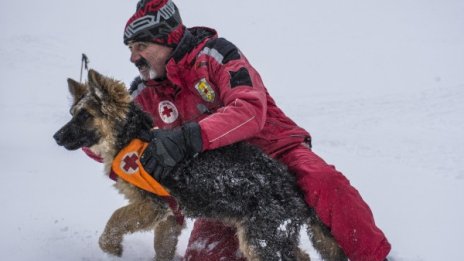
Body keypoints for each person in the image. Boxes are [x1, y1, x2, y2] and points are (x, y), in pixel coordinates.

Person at [98, 0, 392, 260]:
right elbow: (112, 131)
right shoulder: (146, 94)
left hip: (277, 150)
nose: (133, 58)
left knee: (323, 181)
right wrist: (91, 136)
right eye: (130, 49)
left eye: (141, 47)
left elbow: (250, 109)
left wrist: (188, 137)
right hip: (228, 181)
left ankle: (373, 258)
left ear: (167, 40)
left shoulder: (215, 55)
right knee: (204, 256)